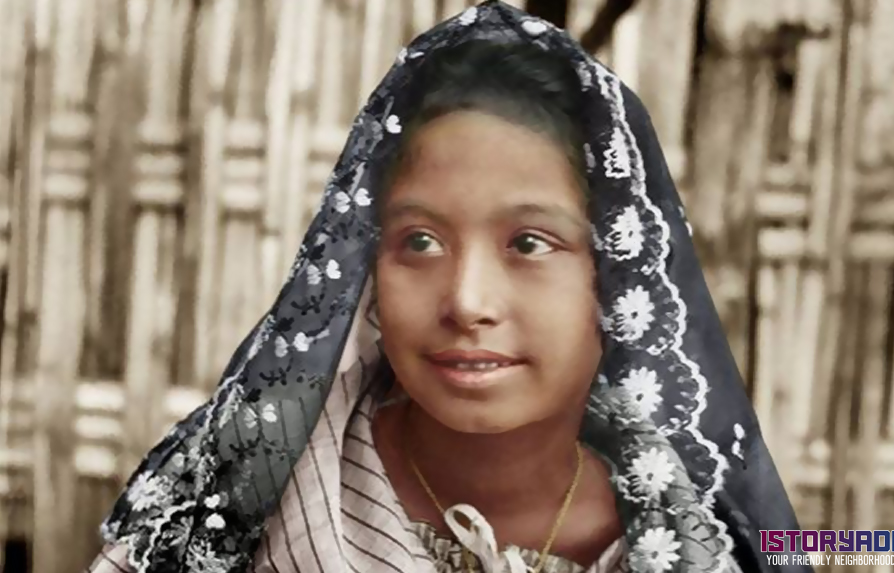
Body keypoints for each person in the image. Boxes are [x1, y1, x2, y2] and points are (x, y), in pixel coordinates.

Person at [87, 2, 810, 572]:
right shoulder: (229, 503)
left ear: (617, 276)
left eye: (530, 243)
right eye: (419, 242)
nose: (466, 300)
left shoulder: (708, 536)